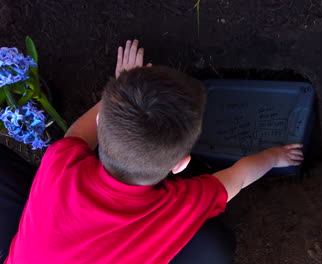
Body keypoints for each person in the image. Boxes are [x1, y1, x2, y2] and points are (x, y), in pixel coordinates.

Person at [3, 40, 304, 264]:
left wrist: (120, 85)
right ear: (181, 165)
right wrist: (275, 156)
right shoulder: (179, 207)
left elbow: (75, 136)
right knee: (213, 246)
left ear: (100, 121)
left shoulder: (60, 162)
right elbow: (238, 178)